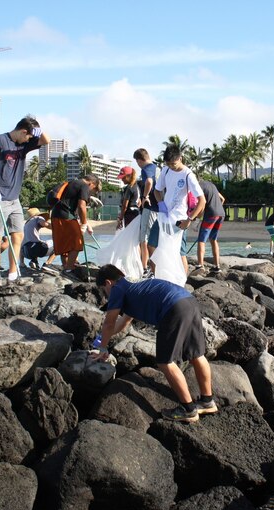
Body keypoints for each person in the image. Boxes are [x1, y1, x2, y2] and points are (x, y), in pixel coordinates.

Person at [91, 264, 216, 423]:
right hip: (188, 300)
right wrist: (103, 339)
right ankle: (207, 401)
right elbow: (123, 322)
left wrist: (103, 349)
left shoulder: (117, 288)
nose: (106, 294)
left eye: (103, 290)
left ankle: (188, 409)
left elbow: (109, 322)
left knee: (165, 362)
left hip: (173, 308)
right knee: (196, 355)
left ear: (108, 283)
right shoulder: (133, 284)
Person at [0, 115, 50, 282]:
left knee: (17, 236)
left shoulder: (24, 144)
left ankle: (13, 273)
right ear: (22, 131)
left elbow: (46, 140)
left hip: (14, 199)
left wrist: (39, 131)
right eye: (28, 136)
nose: (29, 140)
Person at [153, 145, 206, 274]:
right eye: (168, 164)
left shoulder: (188, 175)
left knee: (180, 252)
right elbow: (157, 190)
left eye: (173, 164)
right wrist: (161, 203)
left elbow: (202, 201)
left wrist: (189, 220)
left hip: (179, 219)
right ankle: (157, 276)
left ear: (180, 158)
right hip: (164, 216)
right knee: (152, 245)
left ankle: (183, 281)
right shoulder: (165, 170)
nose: (171, 166)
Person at [50, 174, 102, 276]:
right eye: (94, 190)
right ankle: (69, 269)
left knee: (64, 244)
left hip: (55, 214)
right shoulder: (84, 186)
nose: (91, 192)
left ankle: (65, 267)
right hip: (66, 216)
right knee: (77, 242)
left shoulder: (72, 182)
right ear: (92, 183)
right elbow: (82, 206)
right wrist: (84, 224)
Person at [133, 148, 160, 278]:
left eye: (137, 162)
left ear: (139, 160)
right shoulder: (157, 167)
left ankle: (146, 268)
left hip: (150, 207)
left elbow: (149, 182)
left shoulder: (146, 169)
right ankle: (153, 267)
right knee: (153, 238)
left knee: (144, 238)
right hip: (159, 208)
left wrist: (144, 196)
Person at [196, 180, 226, 273]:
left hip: (210, 215)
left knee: (201, 240)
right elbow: (222, 199)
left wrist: (198, 218)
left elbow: (202, 202)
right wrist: (217, 208)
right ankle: (217, 266)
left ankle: (200, 265)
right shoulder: (211, 185)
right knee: (213, 239)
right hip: (221, 214)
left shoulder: (198, 186)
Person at [20, 208, 55, 272]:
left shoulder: (26, 224)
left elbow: (21, 247)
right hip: (35, 248)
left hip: (26, 252)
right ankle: (47, 264)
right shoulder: (38, 217)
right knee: (58, 245)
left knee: (35, 243)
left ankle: (33, 261)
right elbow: (45, 224)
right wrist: (57, 228)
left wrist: (22, 262)